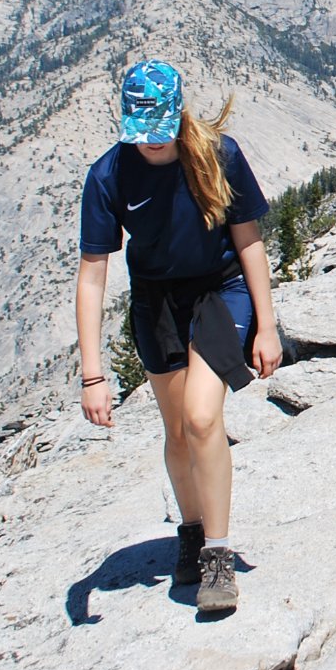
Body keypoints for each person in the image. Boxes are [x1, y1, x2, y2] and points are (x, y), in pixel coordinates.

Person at [75, 60, 279, 616]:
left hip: (220, 290)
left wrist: (266, 324)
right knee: (176, 430)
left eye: (161, 134)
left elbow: (249, 240)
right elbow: (92, 274)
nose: (152, 145)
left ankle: (216, 553)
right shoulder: (109, 175)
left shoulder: (218, 155)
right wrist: (94, 375)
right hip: (156, 301)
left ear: (177, 117)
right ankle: (189, 530)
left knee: (202, 417)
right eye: (143, 136)